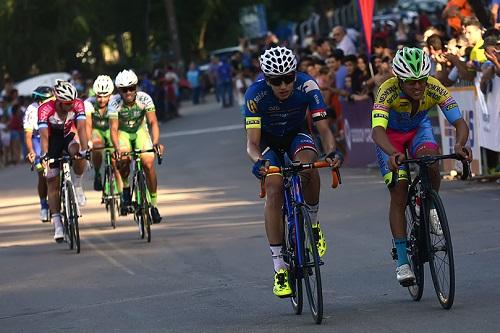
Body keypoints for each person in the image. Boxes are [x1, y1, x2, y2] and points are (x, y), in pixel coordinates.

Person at [244, 46, 343, 297]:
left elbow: (324, 130)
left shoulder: (308, 86)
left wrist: (331, 151)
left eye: (289, 77)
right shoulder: (255, 94)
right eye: (277, 81)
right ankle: (279, 266)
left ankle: (314, 222)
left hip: (297, 135)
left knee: (309, 164)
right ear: (267, 79)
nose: (284, 85)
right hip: (268, 142)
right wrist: (258, 162)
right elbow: (252, 143)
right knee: (275, 188)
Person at [371, 47, 472, 286]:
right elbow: (377, 131)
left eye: (421, 81)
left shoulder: (434, 86)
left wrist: (459, 144)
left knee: (431, 160)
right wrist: (393, 153)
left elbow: (459, 122)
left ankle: (428, 205)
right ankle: (403, 260)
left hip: (418, 130)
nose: (418, 87)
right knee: (399, 190)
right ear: (399, 80)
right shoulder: (387, 91)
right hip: (390, 138)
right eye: (411, 83)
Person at [108, 69, 163, 224]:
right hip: (123, 133)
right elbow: (113, 128)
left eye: (131, 88)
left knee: (148, 162)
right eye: (124, 90)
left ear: (136, 87)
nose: (128, 92)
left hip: (140, 132)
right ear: (119, 90)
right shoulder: (114, 103)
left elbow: (153, 122)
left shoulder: (145, 98)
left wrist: (156, 142)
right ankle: (125, 188)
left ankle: (154, 204)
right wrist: (117, 148)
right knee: (123, 159)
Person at [38, 80, 89, 242]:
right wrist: (45, 154)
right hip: (52, 140)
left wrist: (85, 149)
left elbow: (81, 128)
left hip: (68, 136)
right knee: (52, 181)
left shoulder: (78, 105)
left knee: (78, 153)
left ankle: (78, 184)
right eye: (67, 103)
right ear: (58, 100)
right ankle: (58, 224)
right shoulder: (45, 109)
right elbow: (44, 135)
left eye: (72, 102)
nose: (71, 106)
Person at [24, 86, 54, 222]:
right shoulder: (32, 110)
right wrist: (31, 151)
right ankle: (43, 205)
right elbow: (28, 134)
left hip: (53, 137)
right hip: (38, 139)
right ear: (40, 101)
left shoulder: (56, 105)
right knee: (42, 174)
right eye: (47, 100)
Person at [85, 75, 115, 191]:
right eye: (99, 96)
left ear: (110, 94)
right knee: (97, 147)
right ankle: (97, 173)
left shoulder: (115, 102)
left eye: (105, 96)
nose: (102, 99)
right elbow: (87, 124)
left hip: (111, 129)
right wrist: (88, 141)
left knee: (116, 156)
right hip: (96, 130)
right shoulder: (89, 103)